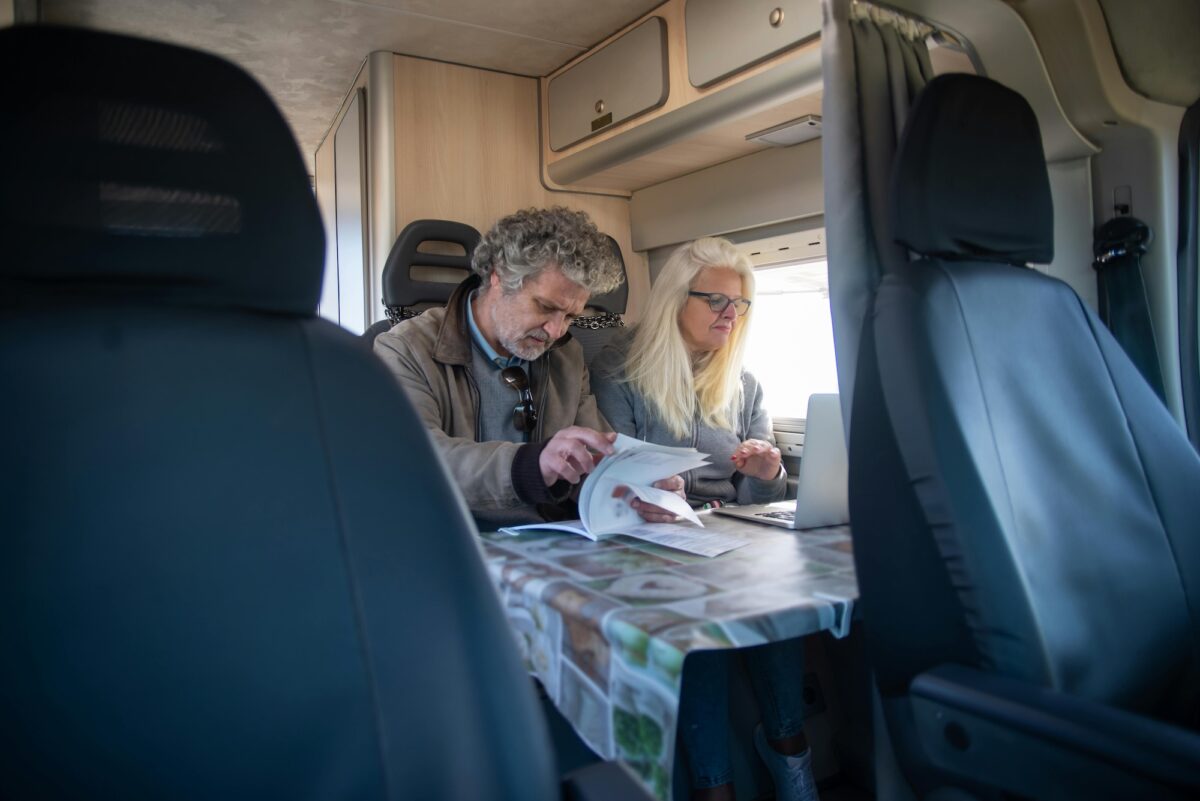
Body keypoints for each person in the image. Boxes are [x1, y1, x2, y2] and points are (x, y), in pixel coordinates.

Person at [591, 237, 817, 801]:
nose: (730, 315)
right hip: (651, 538)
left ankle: (793, 763)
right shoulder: (619, 368)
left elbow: (759, 492)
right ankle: (716, 789)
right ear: (675, 299)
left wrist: (765, 472)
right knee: (697, 626)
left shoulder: (744, 381)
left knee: (778, 608)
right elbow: (610, 471)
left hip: (730, 535)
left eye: (740, 305)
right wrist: (650, 487)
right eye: (716, 301)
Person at [375, 206, 681, 530]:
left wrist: (635, 489)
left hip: (547, 540)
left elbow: (593, 460)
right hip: (449, 538)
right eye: (546, 307)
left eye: (570, 316)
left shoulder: (567, 357)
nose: (556, 331)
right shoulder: (405, 349)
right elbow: (414, 461)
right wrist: (529, 466)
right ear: (498, 275)